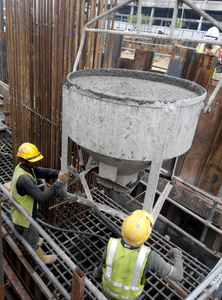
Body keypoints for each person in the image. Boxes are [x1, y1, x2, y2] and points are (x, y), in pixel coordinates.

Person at [93, 210, 183, 300]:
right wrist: (177, 254)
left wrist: (96, 275)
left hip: (107, 293)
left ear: (123, 228)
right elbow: (178, 276)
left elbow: (103, 265)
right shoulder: (150, 257)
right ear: (147, 235)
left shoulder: (111, 245)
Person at [10, 142, 70, 264]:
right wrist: (58, 182)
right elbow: (41, 197)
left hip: (22, 211)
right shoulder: (24, 179)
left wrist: (60, 173)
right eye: (33, 160)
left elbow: (45, 172)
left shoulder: (24, 167)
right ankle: (40, 259)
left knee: (25, 235)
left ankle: (23, 244)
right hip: (25, 217)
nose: (36, 162)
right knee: (31, 238)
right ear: (23, 160)